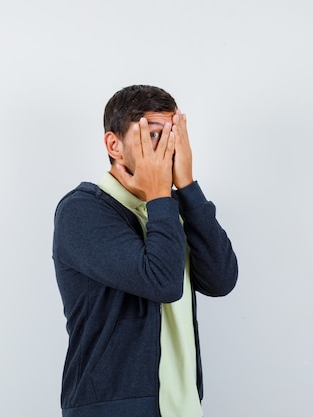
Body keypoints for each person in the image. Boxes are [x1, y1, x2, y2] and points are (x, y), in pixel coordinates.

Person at [52, 84, 238, 417]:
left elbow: (221, 279)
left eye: (174, 136)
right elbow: (163, 283)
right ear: (114, 145)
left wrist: (189, 188)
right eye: (154, 136)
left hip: (181, 407)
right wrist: (160, 198)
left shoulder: (168, 210)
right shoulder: (81, 212)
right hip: (113, 409)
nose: (167, 150)